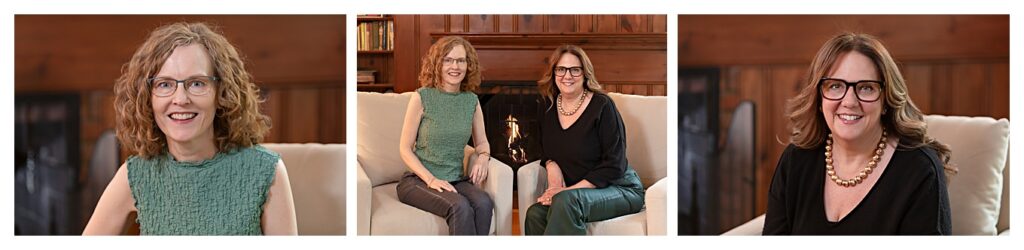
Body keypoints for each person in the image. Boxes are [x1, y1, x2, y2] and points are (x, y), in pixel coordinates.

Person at [83, 22, 297, 235]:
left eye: (196, 83)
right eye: (164, 84)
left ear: (221, 92)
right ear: (147, 98)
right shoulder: (135, 176)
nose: (181, 99)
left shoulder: (267, 171)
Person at [763, 33, 954, 235]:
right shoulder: (796, 159)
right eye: (835, 86)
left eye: (866, 88)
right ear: (819, 98)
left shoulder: (920, 171)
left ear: (886, 101)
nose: (850, 102)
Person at [524, 45, 644, 235]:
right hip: (577, 194)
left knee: (566, 202)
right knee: (535, 214)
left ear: (585, 74)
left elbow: (615, 164)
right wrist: (551, 165)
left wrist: (567, 191)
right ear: (554, 73)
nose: (567, 75)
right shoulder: (547, 106)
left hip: (621, 188)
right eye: (561, 69)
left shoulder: (602, 106)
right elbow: (542, 148)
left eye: (575, 70)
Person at [396, 36, 493, 235]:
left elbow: (482, 142)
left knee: (484, 203)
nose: (455, 66)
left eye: (460, 60)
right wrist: (431, 180)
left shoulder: (471, 101)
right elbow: (404, 149)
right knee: (460, 206)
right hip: (418, 181)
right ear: (437, 64)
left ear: (468, 65)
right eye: (448, 60)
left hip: (455, 179)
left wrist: (483, 158)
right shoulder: (422, 96)